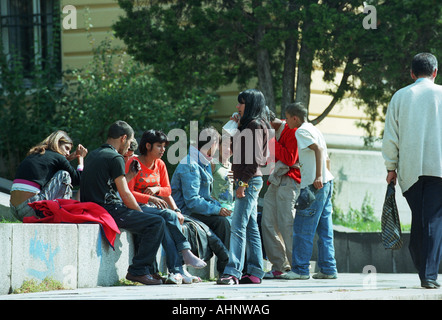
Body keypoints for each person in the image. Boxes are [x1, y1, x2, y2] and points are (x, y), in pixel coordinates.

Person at [382, 52, 442, 289]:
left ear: (412, 73)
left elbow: (390, 137)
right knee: (433, 219)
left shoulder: (401, 96)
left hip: (410, 170)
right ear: (435, 72)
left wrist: (390, 167)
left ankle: (422, 264)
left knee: (422, 218)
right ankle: (427, 272)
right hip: (439, 168)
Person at [80, 120, 165, 285]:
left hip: (92, 207)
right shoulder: (115, 157)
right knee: (156, 222)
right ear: (123, 137)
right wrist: (140, 214)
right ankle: (138, 271)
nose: (129, 146)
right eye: (129, 141)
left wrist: (130, 176)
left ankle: (151, 271)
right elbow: (125, 194)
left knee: (146, 223)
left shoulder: (93, 154)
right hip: (108, 209)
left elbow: (108, 186)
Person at [126, 129, 206, 284]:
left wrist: (157, 190)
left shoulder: (160, 164)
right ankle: (185, 253)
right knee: (168, 215)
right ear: (148, 146)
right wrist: (149, 197)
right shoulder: (133, 162)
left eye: (164, 146)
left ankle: (177, 270)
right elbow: (128, 193)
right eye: (159, 146)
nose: (163, 150)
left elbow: (168, 190)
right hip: (136, 207)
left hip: (154, 208)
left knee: (166, 222)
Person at [217, 89, 270, 285]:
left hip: (248, 182)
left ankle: (232, 272)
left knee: (237, 226)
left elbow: (255, 159)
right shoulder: (249, 125)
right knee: (250, 227)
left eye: (241, 103)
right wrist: (236, 126)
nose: (237, 106)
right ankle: (255, 272)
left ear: (251, 104)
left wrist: (242, 183)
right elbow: (232, 150)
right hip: (249, 180)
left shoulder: (255, 125)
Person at [283, 102, 337, 280]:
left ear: (295, 118)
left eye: (288, 118)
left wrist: (318, 177)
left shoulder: (301, 131)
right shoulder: (314, 128)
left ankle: (300, 269)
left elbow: (319, 150)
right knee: (325, 230)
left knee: (302, 228)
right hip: (327, 183)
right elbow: (322, 154)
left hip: (315, 185)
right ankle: (328, 269)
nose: (287, 121)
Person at [171, 127, 232, 274]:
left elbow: (206, 196)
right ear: (213, 144)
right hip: (187, 212)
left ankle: (232, 267)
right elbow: (192, 201)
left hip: (198, 210)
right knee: (221, 222)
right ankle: (225, 269)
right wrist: (217, 209)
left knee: (228, 220)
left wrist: (218, 206)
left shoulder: (204, 162)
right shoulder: (190, 164)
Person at [10, 130, 87, 221]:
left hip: (14, 210)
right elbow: (78, 179)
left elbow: (52, 173)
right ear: (57, 144)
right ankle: (64, 216)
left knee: (61, 174)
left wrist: (66, 160)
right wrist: (80, 159)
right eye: (66, 148)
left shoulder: (37, 154)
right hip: (30, 209)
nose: (68, 153)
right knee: (64, 175)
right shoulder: (58, 157)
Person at [262, 110, 301, 279]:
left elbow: (290, 158)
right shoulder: (270, 133)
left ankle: (297, 267)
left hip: (290, 180)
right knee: (267, 223)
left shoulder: (291, 129)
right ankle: (279, 265)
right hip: (275, 179)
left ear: (268, 123)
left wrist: (269, 141)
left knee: (287, 223)